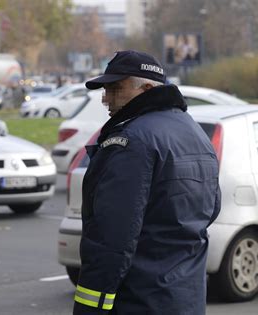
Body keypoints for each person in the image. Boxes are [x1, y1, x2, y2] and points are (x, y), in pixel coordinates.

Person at [73, 50, 221, 315]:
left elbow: (112, 238)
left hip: (139, 301)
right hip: (186, 300)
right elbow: (211, 209)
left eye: (115, 88)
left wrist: (89, 308)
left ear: (148, 88)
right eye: (105, 90)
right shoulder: (194, 132)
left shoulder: (132, 140)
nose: (106, 99)